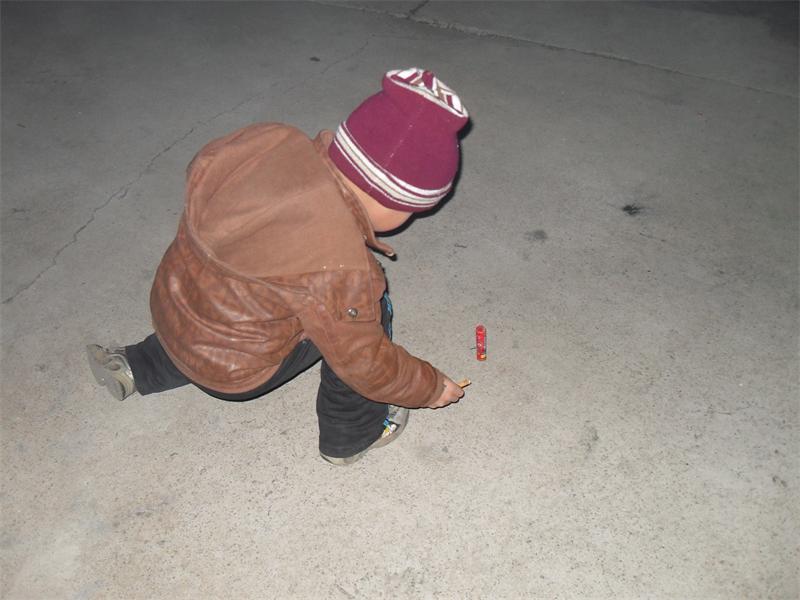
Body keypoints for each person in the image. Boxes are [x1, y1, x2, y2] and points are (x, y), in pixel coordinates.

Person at [87, 67, 469, 465]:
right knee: (367, 319)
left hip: (174, 313)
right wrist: (426, 387)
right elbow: (364, 363)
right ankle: (352, 436)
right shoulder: (340, 269)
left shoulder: (269, 146)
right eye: (413, 210)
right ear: (392, 200)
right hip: (236, 370)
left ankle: (136, 366)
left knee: (224, 296)